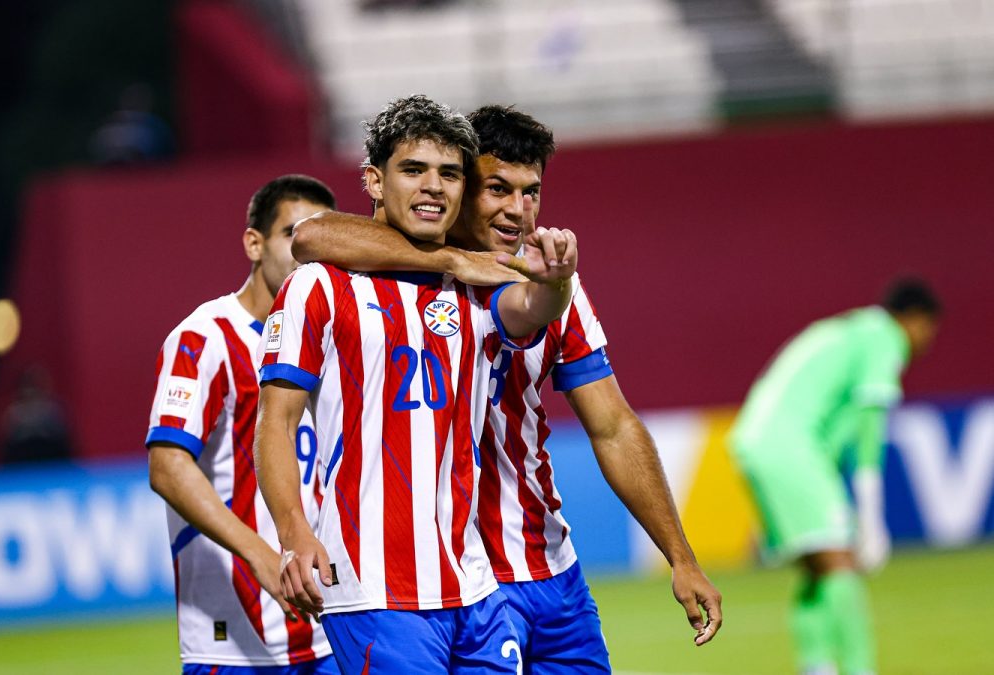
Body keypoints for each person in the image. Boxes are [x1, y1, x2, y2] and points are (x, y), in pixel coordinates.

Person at [291, 104, 722, 670]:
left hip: (549, 566)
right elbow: (312, 234)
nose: (517, 211)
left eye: (531, 193)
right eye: (496, 188)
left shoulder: (545, 282)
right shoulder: (388, 266)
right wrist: (455, 259)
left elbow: (613, 425)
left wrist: (681, 555)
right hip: (463, 578)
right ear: (462, 185)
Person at [253, 95, 579, 674]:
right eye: (414, 170)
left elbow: (534, 308)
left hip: (475, 588)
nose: (433, 187)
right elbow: (274, 422)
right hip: (375, 588)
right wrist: (294, 533)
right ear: (374, 181)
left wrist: (559, 283)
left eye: (450, 174)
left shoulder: (479, 285)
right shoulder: (319, 288)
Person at [145, 176, 339, 674]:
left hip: (334, 621)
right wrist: (261, 555)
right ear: (255, 242)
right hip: (237, 639)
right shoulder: (205, 338)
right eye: (294, 235)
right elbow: (167, 466)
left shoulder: (337, 338)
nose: (308, 254)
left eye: (322, 240)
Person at [729, 279, 941, 675]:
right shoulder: (884, 338)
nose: (927, 341)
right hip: (789, 447)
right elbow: (868, 429)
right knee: (840, 561)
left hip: (754, 442)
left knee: (816, 567)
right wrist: (873, 517)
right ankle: (861, 669)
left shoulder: (848, 331)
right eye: (929, 329)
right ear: (914, 320)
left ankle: (818, 667)